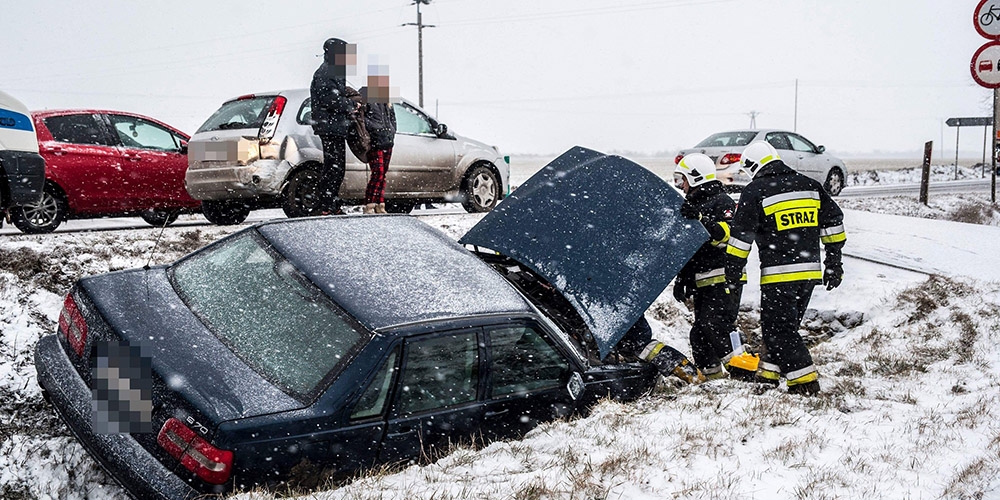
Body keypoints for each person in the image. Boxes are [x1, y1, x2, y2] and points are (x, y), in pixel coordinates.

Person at [724, 141, 846, 396]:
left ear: (753, 167)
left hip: (779, 275)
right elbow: (833, 221)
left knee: (778, 329)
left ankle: (804, 383)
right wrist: (834, 262)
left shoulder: (755, 191)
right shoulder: (810, 186)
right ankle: (769, 375)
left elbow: (740, 239)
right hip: (810, 273)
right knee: (785, 327)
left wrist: (733, 272)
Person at [671, 153, 755, 381]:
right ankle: (713, 381)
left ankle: (746, 373)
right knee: (699, 335)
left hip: (723, 278)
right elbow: (691, 247)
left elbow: (727, 235)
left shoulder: (722, 202)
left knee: (715, 327)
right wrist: (683, 278)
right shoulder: (691, 206)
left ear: (695, 178)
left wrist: (700, 219)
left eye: (683, 179)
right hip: (703, 281)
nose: (682, 186)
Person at [310, 38, 359, 215]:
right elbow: (330, 99)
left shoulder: (332, 70)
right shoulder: (327, 72)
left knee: (335, 166)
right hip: (329, 126)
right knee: (334, 167)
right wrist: (351, 105)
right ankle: (325, 205)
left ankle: (330, 203)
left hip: (333, 126)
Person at [360, 64, 397, 214]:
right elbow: (361, 118)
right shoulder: (365, 95)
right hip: (375, 141)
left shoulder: (386, 97)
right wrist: (374, 129)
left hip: (387, 140)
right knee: (378, 173)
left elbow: (392, 118)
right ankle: (370, 203)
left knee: (383, 174)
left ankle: (380, 204)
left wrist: (392, 131)